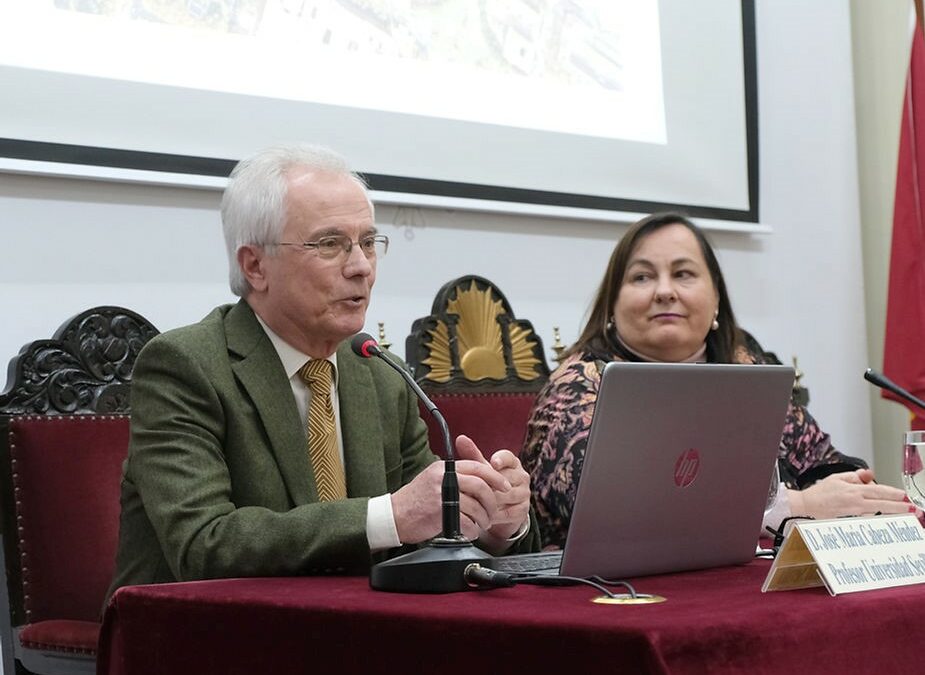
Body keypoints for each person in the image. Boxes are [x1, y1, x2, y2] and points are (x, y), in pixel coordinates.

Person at [106, 144, 536, 600]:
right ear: (255, 266)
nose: (361, 267)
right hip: (200, 627)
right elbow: (203, 545)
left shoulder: (378, 372)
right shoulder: (185, 366)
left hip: (352, 623)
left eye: (368, 243)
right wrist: (391, 515)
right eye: (330, 244)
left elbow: (423, 527)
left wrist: (491, 519)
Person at [522, 212, 909, 548]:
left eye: (683, 274)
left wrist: (847, 492)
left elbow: (823, 461)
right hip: (608, 591)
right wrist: (799, 506)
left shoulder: (744, 364)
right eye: (642, 277)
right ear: (612, 303)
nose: (665, 291)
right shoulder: (577, 385)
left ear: (717, 298)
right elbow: (614, 507)